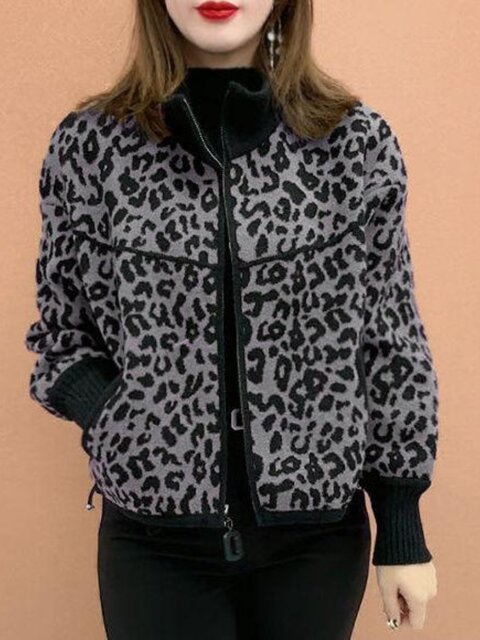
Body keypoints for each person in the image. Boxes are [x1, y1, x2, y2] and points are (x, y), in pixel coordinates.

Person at [24, 1, 439, 638]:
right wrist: (118, 420)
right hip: (153, 544)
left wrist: (401, 525)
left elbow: (391, 340)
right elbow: (61, 334)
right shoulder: (91, 147)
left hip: (317, 545)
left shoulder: (354, 146)